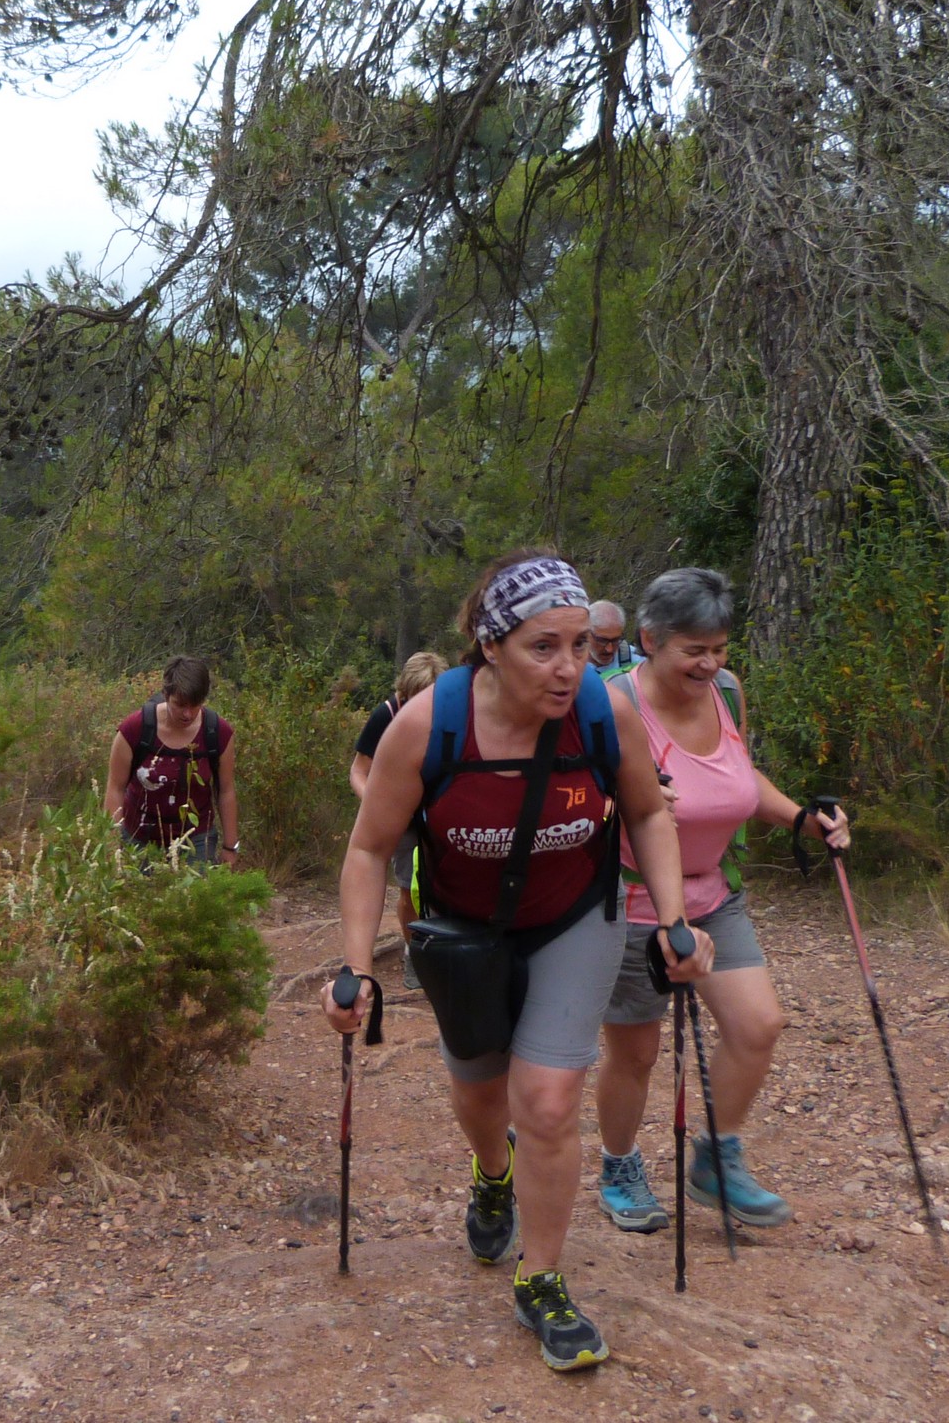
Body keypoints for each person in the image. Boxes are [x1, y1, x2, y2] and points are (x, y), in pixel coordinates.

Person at [324, 552, 712, 1374]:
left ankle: (541, 1279)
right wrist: (355, 966)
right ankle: (492, 1171)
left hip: (574, 920)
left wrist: (675, 921)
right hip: (463, 934)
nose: (569, 667)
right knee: (480, 1093)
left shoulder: (602, 713)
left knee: (547, 1099)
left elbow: (647, 814)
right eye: (544, 647)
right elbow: (367, 849)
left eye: (579, 645)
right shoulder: (429, 725)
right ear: (491, 646)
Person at [592, 568, 850, 1235]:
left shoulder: (727, 694)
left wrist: (801, 820)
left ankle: (716, 1159)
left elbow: (739, 776)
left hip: (712, 892)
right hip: (631, 902)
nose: (709, 664)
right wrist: (622, 798)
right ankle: (619, 1168)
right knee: (637, 1053)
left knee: (758, 1025)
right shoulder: (613, 705)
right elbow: (575, 800)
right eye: (694, 650)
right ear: (651, 640)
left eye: (719, 648)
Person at [351, 650, 449, 971]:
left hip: (440, 814)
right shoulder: (387, 715)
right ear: (403, 692)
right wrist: (379, 806)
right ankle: (414, 954)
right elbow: (358, 771)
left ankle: (448, 952)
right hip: (402, 818)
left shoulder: (452, 713)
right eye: (414, 699)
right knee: (409, 889)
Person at [104, 656, 240, 866]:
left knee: (198, 887)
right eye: (180, 705)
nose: (188, 714)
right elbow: (115, 787)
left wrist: (230, 847)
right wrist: (111, 845)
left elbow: (226, 790)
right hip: (138, 836)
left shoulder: (217, 733)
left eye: (195, 705)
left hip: (195, 839)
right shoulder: (135, 729)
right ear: (166, 695)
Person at [589, 600, 643, 676]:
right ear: (586, 633)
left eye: (615, 640)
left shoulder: (637, 662)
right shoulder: (573, 664)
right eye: (602, 641)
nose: (609, 649)